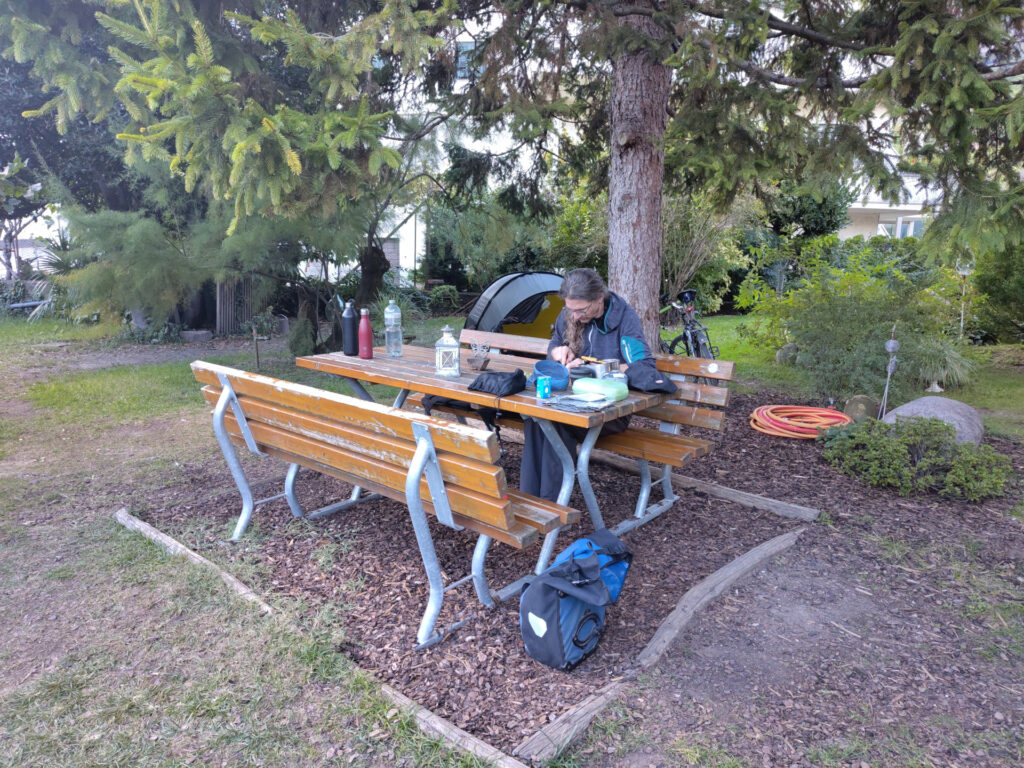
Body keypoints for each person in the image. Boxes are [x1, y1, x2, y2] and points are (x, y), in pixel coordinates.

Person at [520, 268, 653, 501]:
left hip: (610, 411)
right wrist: (557, 352)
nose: (576, 316)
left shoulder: (624, 317)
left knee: (554, 422)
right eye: (570, 310)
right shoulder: (570, 313)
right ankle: (530, 501)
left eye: (581, 310)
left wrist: (594, 369)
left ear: (599, 298)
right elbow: (553, 345)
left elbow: (643, 366)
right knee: (535, 418)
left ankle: (552, 508)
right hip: (572, 400)